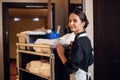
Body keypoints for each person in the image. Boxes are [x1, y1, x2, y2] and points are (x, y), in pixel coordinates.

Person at [56, 9, 94, 80]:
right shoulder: (86, 40)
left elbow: (71, 68)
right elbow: (90, 61)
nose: (71, 23)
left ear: (83, 23)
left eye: (75, 21)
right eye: (70, 21)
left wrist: (61, 54)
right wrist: (74, 46)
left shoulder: (80, 42)